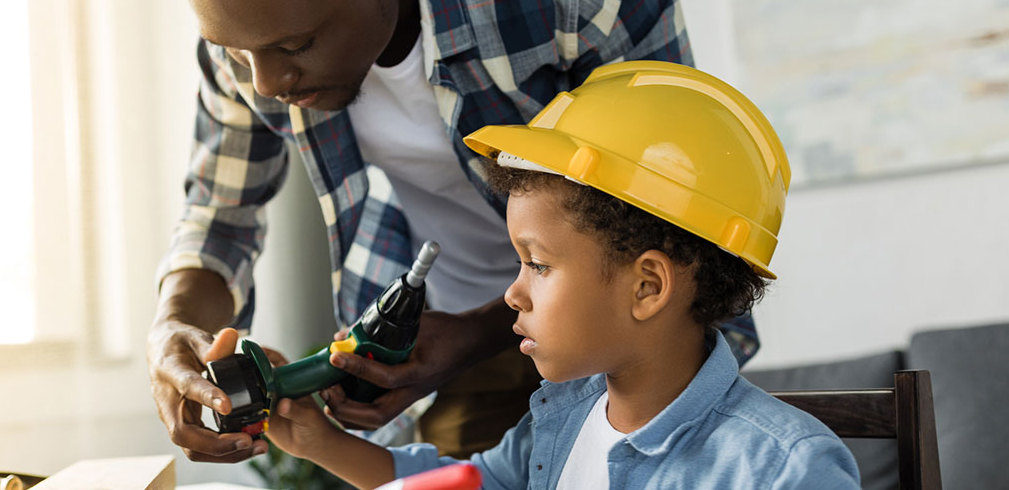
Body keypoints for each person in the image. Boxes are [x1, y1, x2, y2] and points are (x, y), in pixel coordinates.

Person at [152, 0, 759, 463]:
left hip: (631, 336)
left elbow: (675, 217)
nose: (264, 84)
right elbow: (220, 216)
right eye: (235, 53)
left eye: (296, 45)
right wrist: (177, 324)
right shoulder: (252, 32)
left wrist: (479, 331)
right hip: (457, 351)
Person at [227, 60, 860, 489]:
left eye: (538, 264)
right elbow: (469, 485)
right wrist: (317, 441)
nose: (511, 292)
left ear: (647, 286)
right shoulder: (563, 418)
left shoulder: (785, 469)